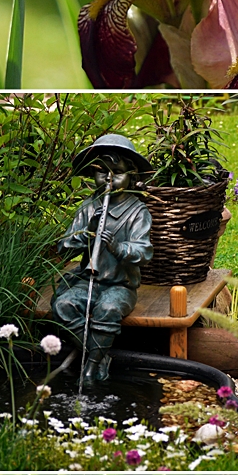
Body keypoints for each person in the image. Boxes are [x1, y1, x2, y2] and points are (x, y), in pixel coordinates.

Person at [51, 134, 153, 383]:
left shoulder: (137, 211)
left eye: (116, 172)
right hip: (88, 281)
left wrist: (118, 248)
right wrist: (86, 234)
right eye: (101, 172)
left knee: (107, 309)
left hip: (120, 285)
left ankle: (91, 364)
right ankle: (97, 355)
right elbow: (63, 247)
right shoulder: (88, 207)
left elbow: (144, 252)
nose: (108, 179)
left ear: (131, 175)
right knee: (62, 307)